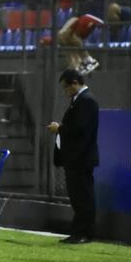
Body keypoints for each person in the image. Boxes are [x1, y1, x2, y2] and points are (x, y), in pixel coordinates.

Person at [47, 69, 99, 244]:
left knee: (83, 197)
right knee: (77, 197)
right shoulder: (79, 101)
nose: (65, 92)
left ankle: (85, 233)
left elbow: (80, 129)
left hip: (81, 158)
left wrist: (60, 129)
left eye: (66, 88)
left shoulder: (87, 101)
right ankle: (77, 232)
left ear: (75, 83)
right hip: (75, 158)